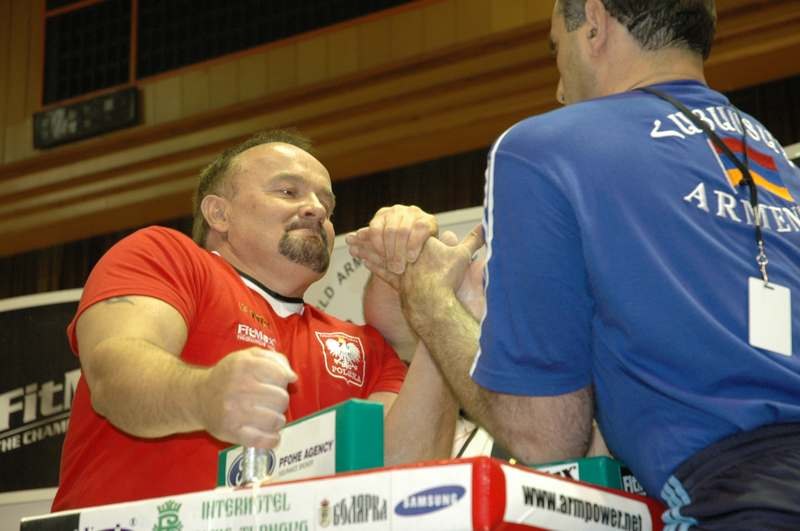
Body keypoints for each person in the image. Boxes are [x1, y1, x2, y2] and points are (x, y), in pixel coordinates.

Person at [348, 0, 800, 528]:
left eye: (553, 50)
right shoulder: (762, 150)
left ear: (594, 22)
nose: (559, 87)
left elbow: (546, 435)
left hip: (743, 499)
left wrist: (431, 303)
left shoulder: (543, 147)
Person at [52, 130, 457, 511]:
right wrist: (203, 395)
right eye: (288, 191)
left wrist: (439, 312)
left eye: (327, 205)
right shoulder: (167, 257)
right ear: (219, 213)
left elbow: (400, 470)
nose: (317, 209)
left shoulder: (361, 346)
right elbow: (114, 374)